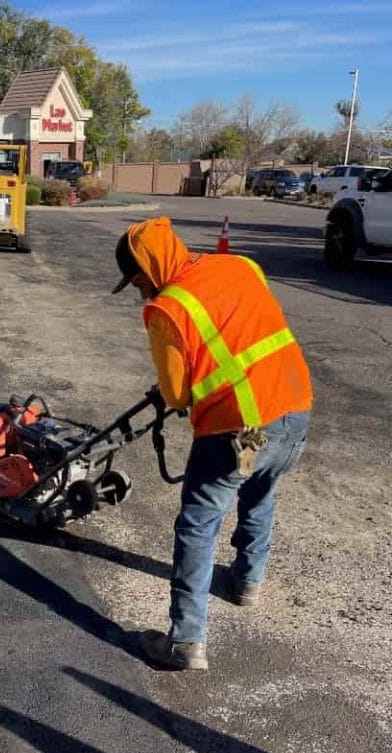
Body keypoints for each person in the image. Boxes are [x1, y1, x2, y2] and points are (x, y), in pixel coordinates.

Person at [111, 217, 312, 671]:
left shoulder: (167, 308)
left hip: (238, 425)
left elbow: (178, 394)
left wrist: (175, 383)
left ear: (149, 265)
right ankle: (246, 583)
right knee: (260, 492)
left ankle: (185, 643)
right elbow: (242, 329)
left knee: (198, 525)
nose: (141, 290)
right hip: (295, 407)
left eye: (138, 279)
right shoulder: (240, 265)